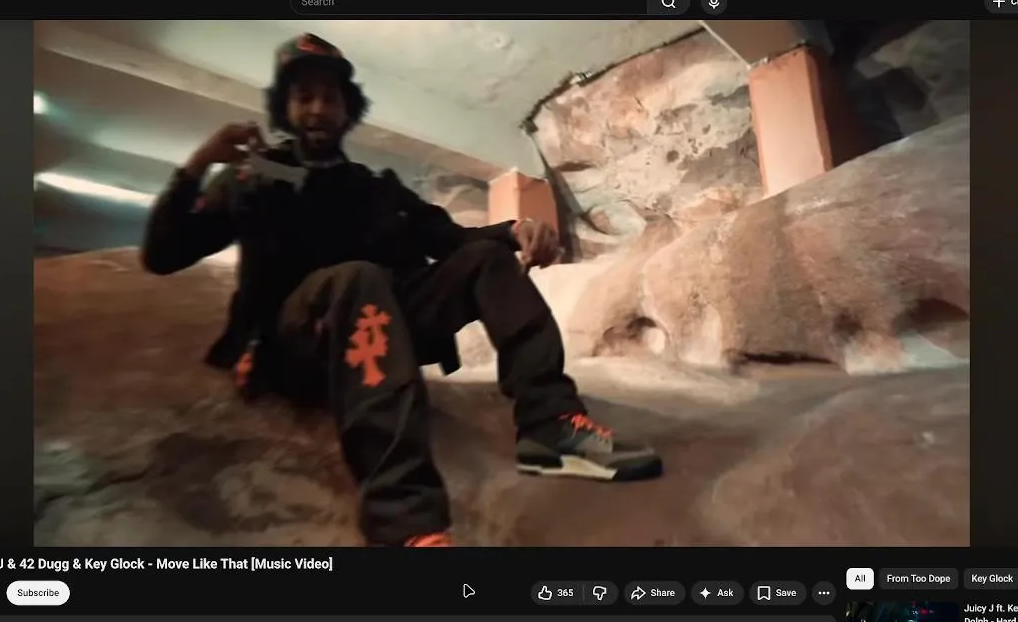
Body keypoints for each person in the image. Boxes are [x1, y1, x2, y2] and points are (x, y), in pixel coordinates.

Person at [141, 33, 663, 547]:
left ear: (347, 108)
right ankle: (405, 524)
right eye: (304, 96)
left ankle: (551, 428)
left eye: (330, 97)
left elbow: (454, 240)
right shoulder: (251, 178)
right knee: (358, 277)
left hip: (380, 334)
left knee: (486, 259)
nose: (318, 108)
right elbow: (162, 255)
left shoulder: (374, 189)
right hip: (297, 349)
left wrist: (515, 230)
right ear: (285, 106)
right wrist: (198, 164)